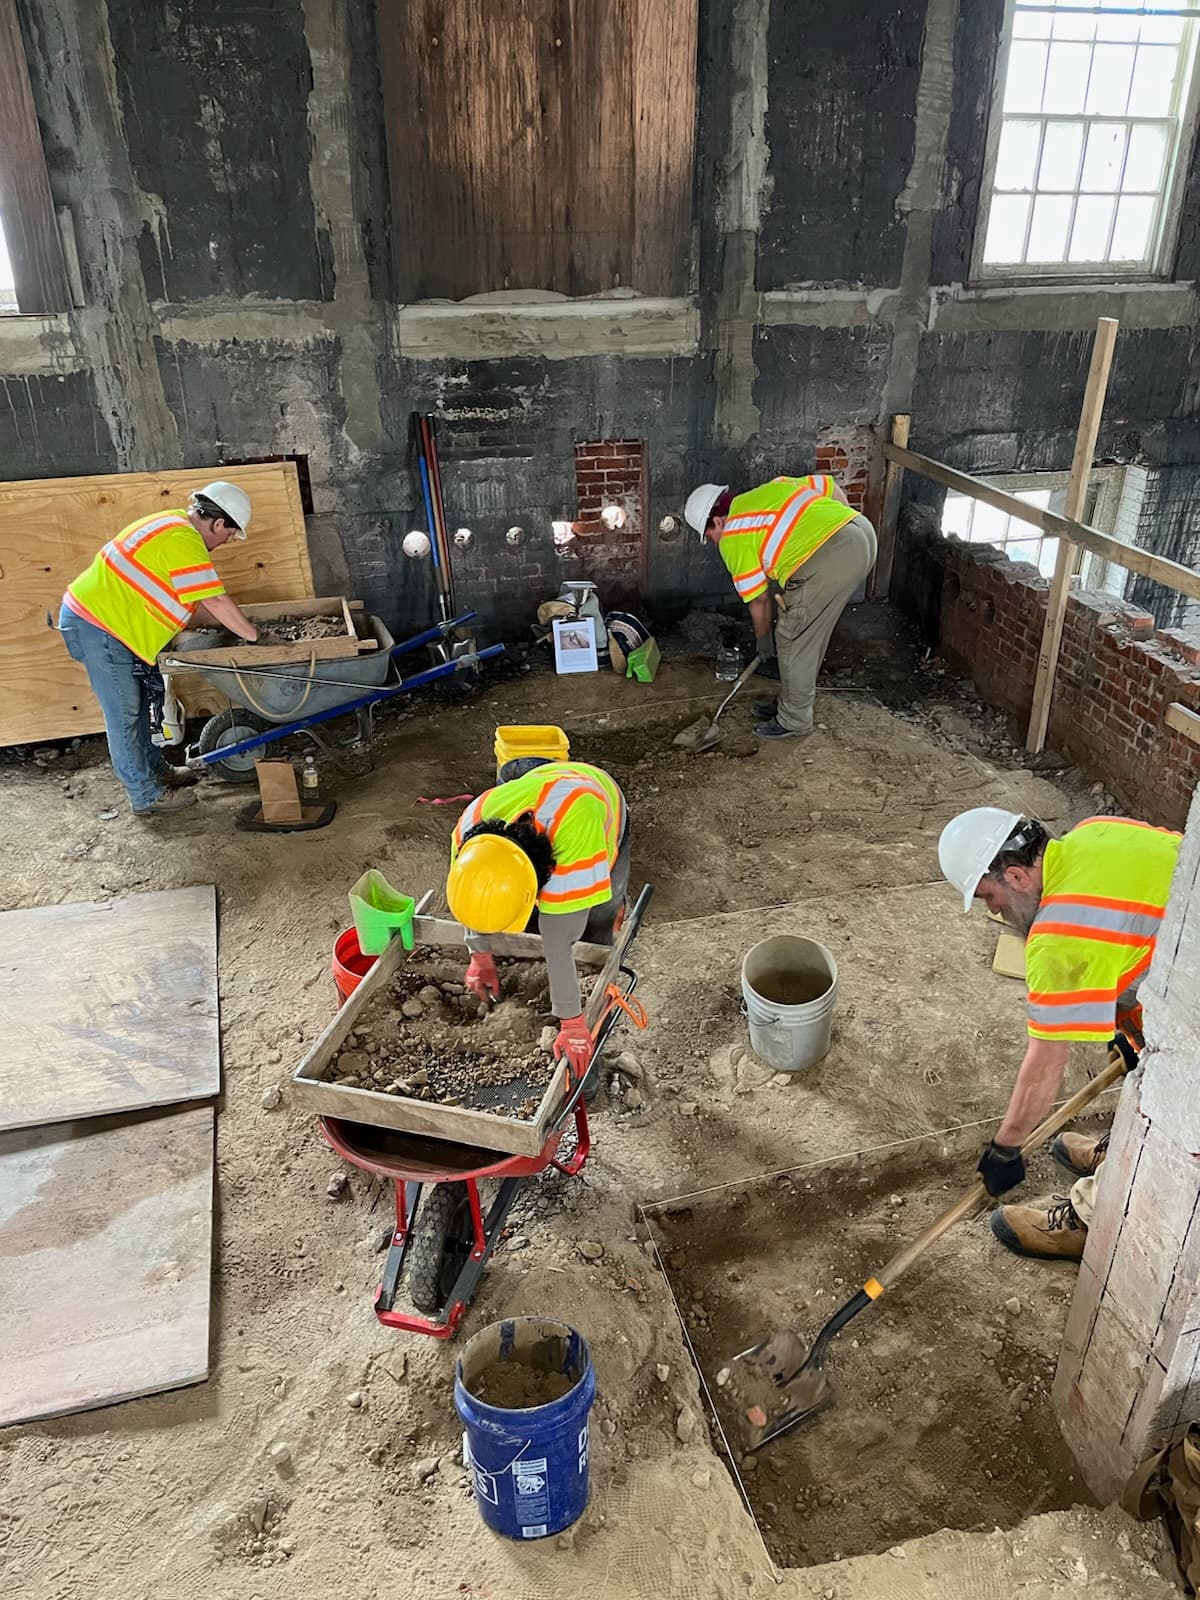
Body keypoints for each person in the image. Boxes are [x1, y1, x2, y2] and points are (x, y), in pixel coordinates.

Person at [939, 807, 1182, 1262]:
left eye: (988, 896)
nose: (992, 910)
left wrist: (1006, 1146)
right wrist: (1129, 1029)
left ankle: (1092, 1215)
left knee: (1172, 1110)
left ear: (1015, 876)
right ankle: (1122, 1151)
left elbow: (1046, 1064)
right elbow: (1145, 919)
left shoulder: (1057, 937)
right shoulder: (1095, 832)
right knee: (1149, 1070)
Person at [59, 482, 262, 816]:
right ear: (219, 524)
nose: (225, 542)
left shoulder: (173, 525)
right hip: (98, 627)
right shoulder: (183, 538)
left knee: (136, 709)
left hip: (111, 627)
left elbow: (192, 602)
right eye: (229, 536)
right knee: (124, 715)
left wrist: (232, 624)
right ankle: (146, 797)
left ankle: (156, 772)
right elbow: (213, 599)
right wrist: (253, 637)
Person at [446, 759, 630, 1085]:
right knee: (546, 920)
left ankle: (604, 955)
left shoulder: (579, 828)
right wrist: (479, 955)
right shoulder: (466, 832)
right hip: (540, 788)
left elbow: (557, 936)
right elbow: (475, 896)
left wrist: (572, 1024)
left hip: (597, 803)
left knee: (599, 916)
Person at [684, 474, 877, 739]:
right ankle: (791, 704)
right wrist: (841, 524)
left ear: (718, 521)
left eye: (710, 536)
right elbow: (830, 487)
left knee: (791, 634)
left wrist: (764, 645)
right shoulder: (775, 486)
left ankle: (795, 720)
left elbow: (760, 601)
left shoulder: (732, 536)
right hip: (862, 531)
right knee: (809, 631)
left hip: (833, 556)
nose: (714, 542)